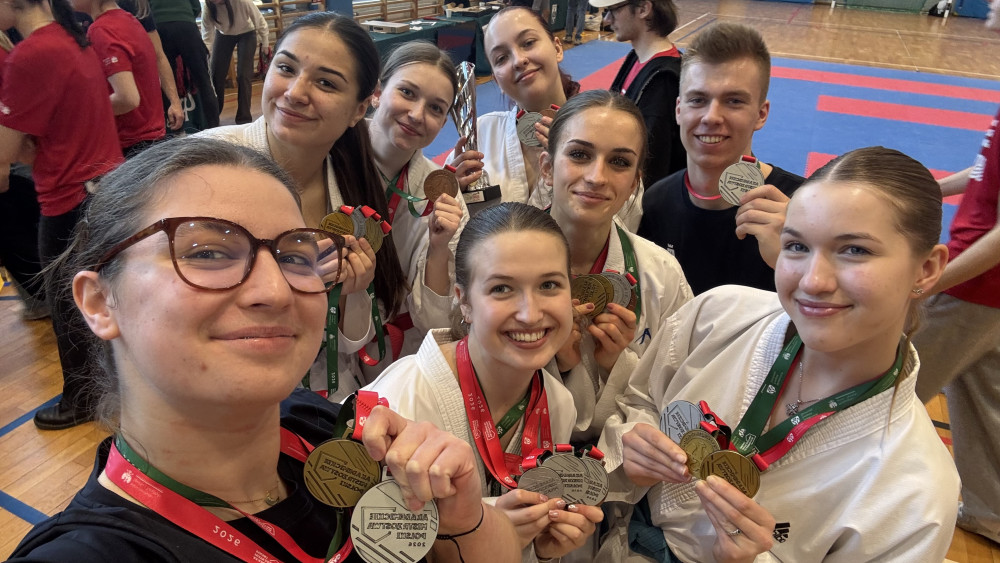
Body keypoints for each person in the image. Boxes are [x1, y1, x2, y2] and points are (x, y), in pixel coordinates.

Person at [6, 137, 521, 563]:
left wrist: (461, 517)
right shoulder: (87, 554)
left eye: (294, 256)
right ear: (100, 302)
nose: (275, 291)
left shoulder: (328, 433)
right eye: (208, 252)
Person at [597, 146, 959, 562]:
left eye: (854, 250)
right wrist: (632, 444)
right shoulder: (717, 314)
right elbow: (640, 400)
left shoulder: (918, 489)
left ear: (927, 269)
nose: (814, 281)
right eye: (797, 246)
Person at [366, 202, 604, 562]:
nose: (530, 313)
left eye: (549, 285)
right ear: (463, 301)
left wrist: (541, 548)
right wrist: (478, 535)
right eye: (502, 288)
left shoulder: (558, 403)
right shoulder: (398, 401)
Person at [198, 12, 408, 404]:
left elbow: (351, 343)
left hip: (321, 398)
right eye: (286, 68)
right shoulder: (203, 164)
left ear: (359, 110)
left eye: (326, 82)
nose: (295, 92)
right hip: (218, 391)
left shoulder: (355, 186)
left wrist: (353, 293)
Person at [540, 90, 691, 445]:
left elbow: (678, 396)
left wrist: (617, 364)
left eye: (619, 162)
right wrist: (553, 362)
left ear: (635, 181)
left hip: (622, 466)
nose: (597, 176)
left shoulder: (662, 274)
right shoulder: (500, 260)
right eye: (580, 154)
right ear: (547, 167)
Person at [0, 0, 124, 430]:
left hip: (70, 197)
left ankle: (81, 399)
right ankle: (110, 385)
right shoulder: (72, 37)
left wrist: (25, 147)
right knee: (100, 297)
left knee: (69, 305)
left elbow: (5, 151)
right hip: (102, 187)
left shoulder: (31, 53)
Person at [909, 0, 1000, 543]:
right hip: (985, 294)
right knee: (985, 404)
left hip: (971, 286)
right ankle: (990, 513)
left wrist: (933, 283)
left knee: (884, 389)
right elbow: (988, 168)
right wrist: (935, 187)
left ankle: (850, 495)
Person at [637, 22, 804, 295]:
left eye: (734, 101)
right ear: (678, 110)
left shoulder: (802, 210)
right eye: (697, 100)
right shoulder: (655, 204)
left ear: (761, 114)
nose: (711, 117)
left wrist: (796, 259)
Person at [365, 40, 469, 378]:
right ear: (377, 91)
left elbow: (437, 321)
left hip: (396, 355)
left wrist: (439, 248)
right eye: (407, 92)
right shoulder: (328, 155)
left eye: (436, 108)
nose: (417, 114)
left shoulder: (444, 194)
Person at [589, 0, 684, 186]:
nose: (607, 19)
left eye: (613, 10)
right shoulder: (635, 57)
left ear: (643, 9)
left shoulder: (664, 80)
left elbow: (652, 167)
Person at [72, 0, 166, 157]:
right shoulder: (129, 20)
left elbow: (127, 98)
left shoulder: (102, 30)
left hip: (133, 144)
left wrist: (80, 114)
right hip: (151, 138)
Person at [150, 0, 219, 128]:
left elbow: (143, 9)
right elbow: (196, 6)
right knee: (204, 81)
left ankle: (172, 129)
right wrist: (184, 17)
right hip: (186, 24)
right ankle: (214, 127)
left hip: (159, 26)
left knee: (166, 83)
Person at [201, 0, 268, 125]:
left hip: (247, 33)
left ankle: (244, 118)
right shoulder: (208, 7)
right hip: (223, 35)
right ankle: (213, 116)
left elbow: (259, 21)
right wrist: (205, 54)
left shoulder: (242, 2)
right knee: (216, 75)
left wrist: (265, 43)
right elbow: (207, 35)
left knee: (243, 75)